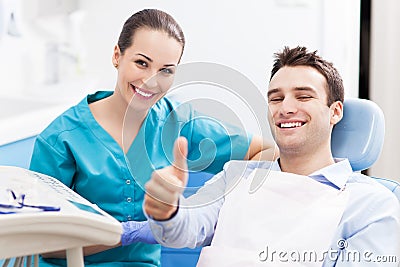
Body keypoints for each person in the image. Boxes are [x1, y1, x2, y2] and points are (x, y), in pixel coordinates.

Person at [29, 9, 276, 267]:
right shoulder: (61, 139)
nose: (150, 81)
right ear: (117, 56)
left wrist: (205, 210)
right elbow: (43, 243)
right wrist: (126, 234)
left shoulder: (178, 121)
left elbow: (267, 151)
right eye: (141, 63)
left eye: (166, 71)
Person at [144, 46, 400, 266]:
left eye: (303, 96)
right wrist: (167, 210)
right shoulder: (235, 177)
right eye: (276, 99)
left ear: (335, 112)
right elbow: (183, 231)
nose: (286, 108)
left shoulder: (372, 205)